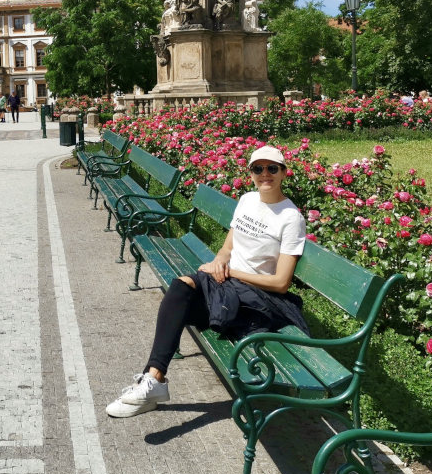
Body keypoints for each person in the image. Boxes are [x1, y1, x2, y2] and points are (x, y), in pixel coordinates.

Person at [106, 145, 308, 418]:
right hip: (229, 284)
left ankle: (152, 380)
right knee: (180, 288)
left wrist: (232, 272)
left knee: (179, 307)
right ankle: (154, 379)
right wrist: (220, 261)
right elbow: (228, 247)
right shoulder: (248, 200)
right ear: (250, 174)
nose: (265, 174)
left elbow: (281, 282)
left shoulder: (290, 217)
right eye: (257, 169)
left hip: (256, 297)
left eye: (272, 168)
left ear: (284, 173)